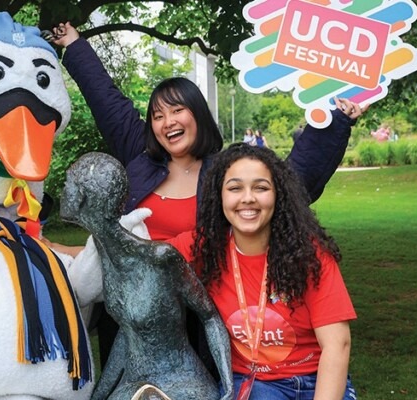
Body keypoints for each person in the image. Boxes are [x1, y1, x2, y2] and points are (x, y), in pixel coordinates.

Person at [47, 21, 365, 370]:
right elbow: (107, 100)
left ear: (197, 114)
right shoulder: (140, 157)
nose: (167, 121)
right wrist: (74, 44)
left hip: (199, 320)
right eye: (158, 115)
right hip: (132, 319)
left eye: (177, 110)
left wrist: (337, 121)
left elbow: (292, 182)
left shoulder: (225, 173)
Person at [168, 144, 363, 400]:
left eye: (261, 187)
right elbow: (136, 258)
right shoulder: (203, 249)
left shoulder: (310, 256)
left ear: (277, 195)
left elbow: (338, 344)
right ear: (220, 196)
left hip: (319, 378)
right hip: (254, 383)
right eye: (235, 188)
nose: (248, 198)